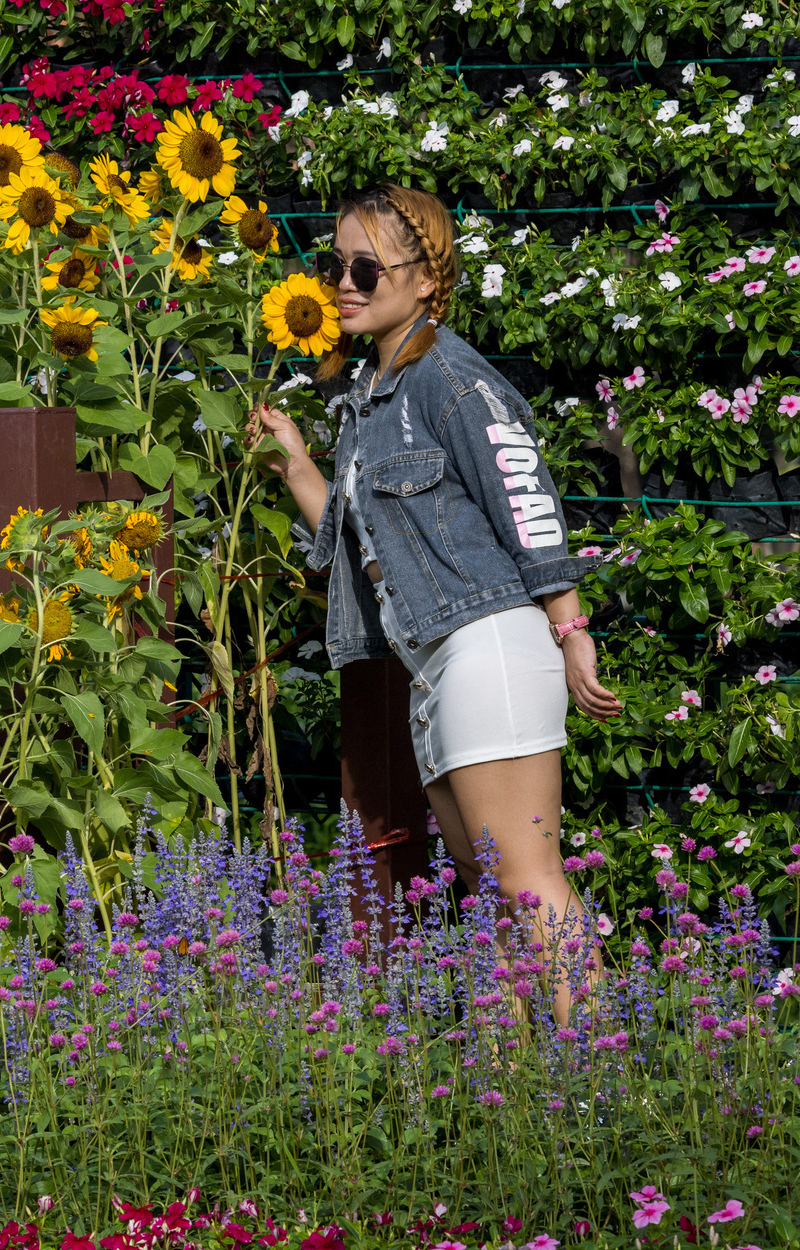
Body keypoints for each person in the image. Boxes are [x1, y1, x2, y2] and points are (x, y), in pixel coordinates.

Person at [248, 185, 622, 1018]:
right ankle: (520, 1112)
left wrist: (572, 629)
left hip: (488, 648)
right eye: (333, 264)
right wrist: (299, 465)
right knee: (494, 898)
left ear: (425, 279)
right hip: (438, 664)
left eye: (365, 267)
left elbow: (524, 494)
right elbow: (357, 544)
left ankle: (606, 1097)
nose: (342, 283)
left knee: (528, 889)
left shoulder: (449, 378)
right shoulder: (369, 395)